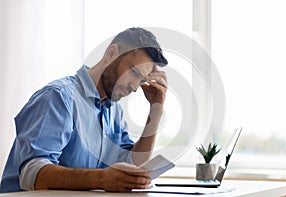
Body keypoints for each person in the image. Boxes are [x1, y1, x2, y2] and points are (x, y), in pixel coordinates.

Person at [0, 27, 168, 193]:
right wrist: (101, 179)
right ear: (111, 54)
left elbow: (132, 165)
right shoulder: (58, 97)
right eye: (133, 73)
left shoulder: (114, 111)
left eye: (141, 80)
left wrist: (156, 109)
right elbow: (32, 174)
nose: (134, 87)